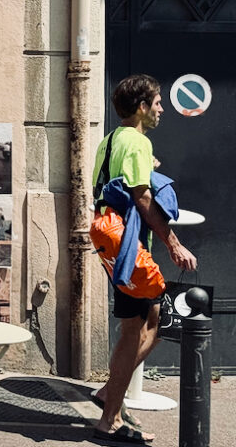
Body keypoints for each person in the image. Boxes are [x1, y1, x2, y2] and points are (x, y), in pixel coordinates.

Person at [89, 75, 197, 444]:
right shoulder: (136, 141)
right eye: (157, 102)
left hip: (111, 236)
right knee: (140, 326)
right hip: (130, 242)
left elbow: (111, 183)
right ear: (141, 107)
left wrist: (146, 165)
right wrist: (174, 244)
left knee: (151, 318)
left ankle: (109, 393)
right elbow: (143, 199)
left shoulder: (110, 140)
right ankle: (110, 419)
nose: (162, 109)